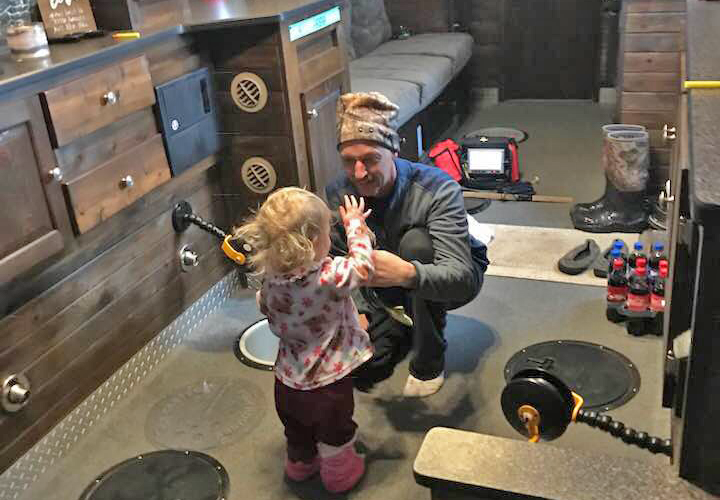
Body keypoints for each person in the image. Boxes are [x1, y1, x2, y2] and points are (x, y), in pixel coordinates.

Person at [326, 92, 489, 398]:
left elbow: (461, 278)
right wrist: (359, 311)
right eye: (349, 162)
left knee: (417, 246)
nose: (359, 173)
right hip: (378, 283)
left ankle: (430, 357)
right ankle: (395, 319)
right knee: (362, 368)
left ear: (395, 150)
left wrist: (409, 275)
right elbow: (337, 258)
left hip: (441, 275)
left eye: (371, 160)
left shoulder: (439, 188)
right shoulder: (339, 191)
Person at [235, 188, 375, 493]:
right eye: (328, 232)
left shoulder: (271, 280)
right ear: (314, 241)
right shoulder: (328, 276)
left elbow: (264, 305)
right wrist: (355, 227)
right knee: (334, 431)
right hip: (327, 384)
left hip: (286, 381)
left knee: (297, 431)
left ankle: (300, 466)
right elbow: (363, 267)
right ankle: (340, 475)